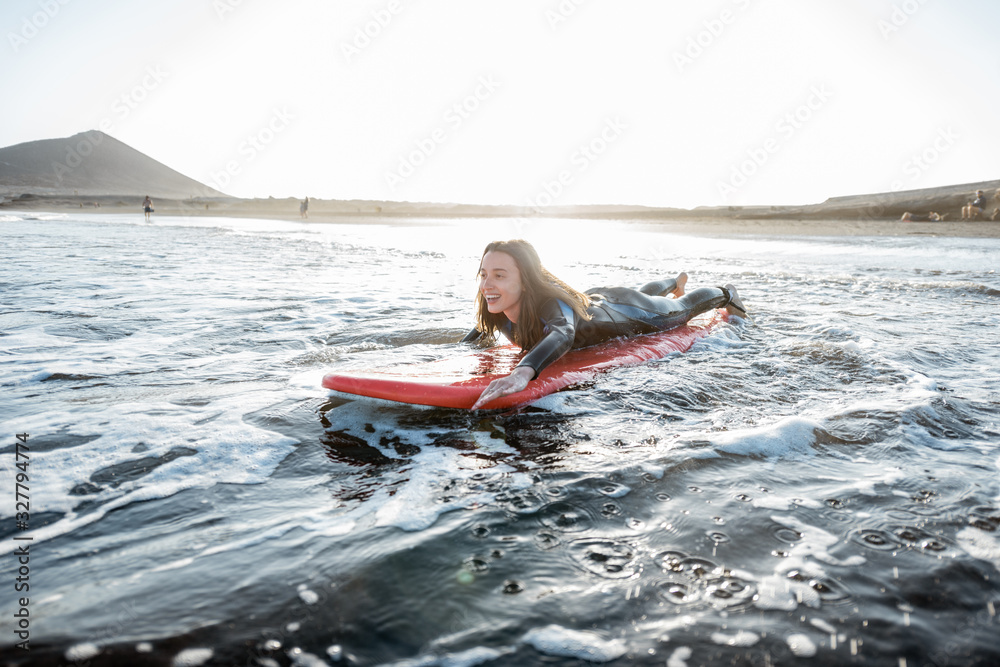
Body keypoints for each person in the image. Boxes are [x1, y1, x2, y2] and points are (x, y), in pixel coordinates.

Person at [462, 239, 747, 409]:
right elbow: (479, 333)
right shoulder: (495, 309)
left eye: (499, 275)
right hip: (602, 302)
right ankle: (674, 281)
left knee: (679, 309)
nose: (487, 284)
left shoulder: (551, 305)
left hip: (628, 312)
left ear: (525, 280)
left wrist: (522, 373)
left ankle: (726, 293)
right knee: (644, 294)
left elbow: (563, 334)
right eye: (484, 274)